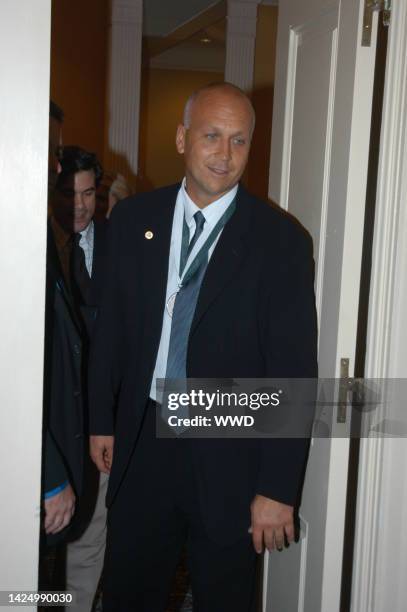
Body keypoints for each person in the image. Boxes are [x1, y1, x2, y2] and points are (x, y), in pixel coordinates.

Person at [88, 82, 318, 611]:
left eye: (239, 141)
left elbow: (293, 370)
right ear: (181, 137)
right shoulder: (131, 221)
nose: (224, 154)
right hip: (144, 437)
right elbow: (112, 331)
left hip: (230, 450)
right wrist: (103, 417)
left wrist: (278, 488)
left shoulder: (281, 242)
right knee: (130, 589)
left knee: (223, 596)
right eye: (212, 136)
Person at [49, 145, 109, 611]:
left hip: (101, 421)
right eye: (70, 193)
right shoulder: (34, 248)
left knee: (90, 536)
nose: (81, 205)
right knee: (42, 550)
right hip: (50, 424)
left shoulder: (118, 242)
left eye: (89, 193)